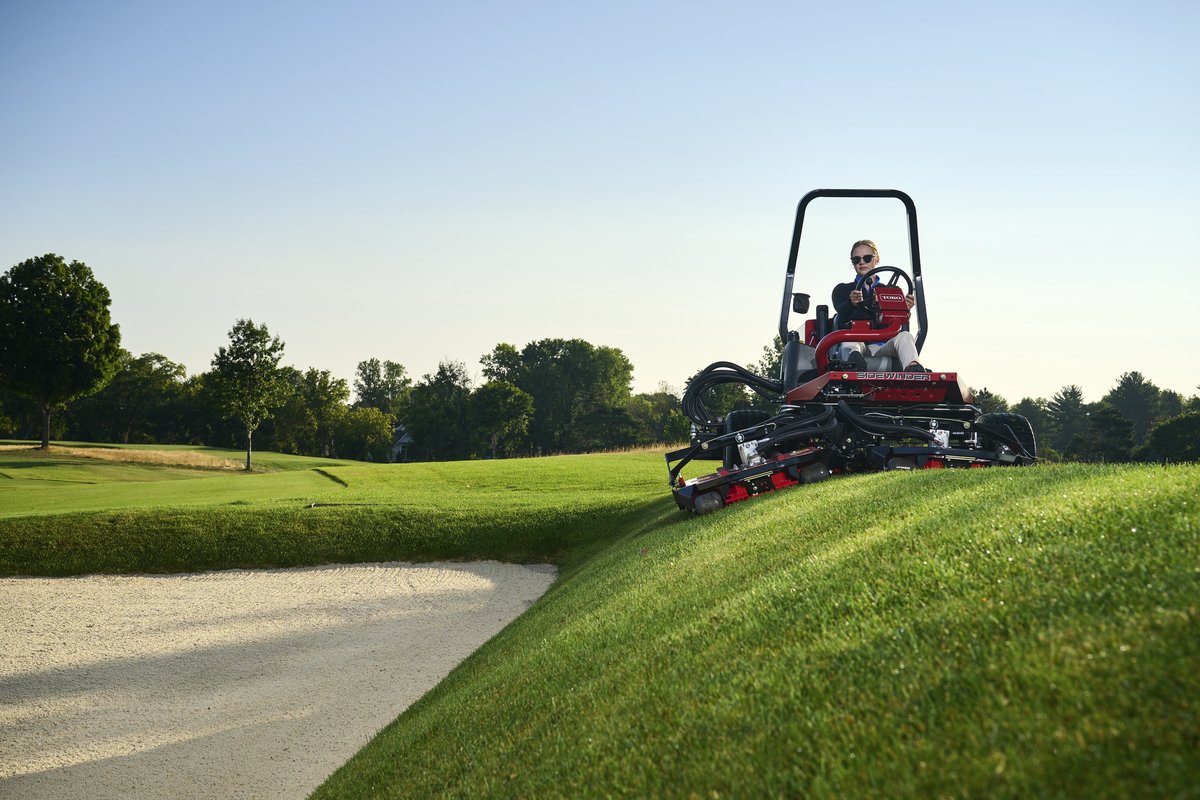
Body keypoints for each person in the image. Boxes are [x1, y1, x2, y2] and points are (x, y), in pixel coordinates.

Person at [830, 239, 927, 372]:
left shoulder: (891, 291)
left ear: (876, 259)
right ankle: (855, 366)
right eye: (856, 259)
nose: (862, 262)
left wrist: (904, 308)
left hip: (884, 345)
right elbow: (841, 312)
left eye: (867, 258)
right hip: (857, 342)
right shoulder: (843, 290)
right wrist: (851, 303)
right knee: (849, 341)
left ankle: (914, 368)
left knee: (905, 336)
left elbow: (898, 322)